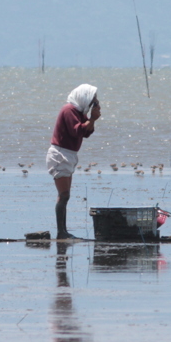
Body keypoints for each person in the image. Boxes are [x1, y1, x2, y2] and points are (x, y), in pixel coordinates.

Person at [46, 84, 101, 239]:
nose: (93, 103)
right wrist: (92, 118)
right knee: (63, 195)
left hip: (69, 154)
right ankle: (61, 232)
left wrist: (92, 120)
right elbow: (77, 131)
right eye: (92, 100)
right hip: (60, 155)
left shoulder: (78, 112)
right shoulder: (69, 110)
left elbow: (87, 133)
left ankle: (63, 231)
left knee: (66, 195)